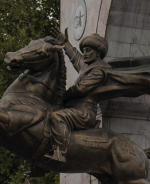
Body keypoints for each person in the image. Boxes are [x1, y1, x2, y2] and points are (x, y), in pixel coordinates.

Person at [45, 33, 112, 163]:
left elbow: (81, 89)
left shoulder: (100, 70)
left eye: (88, 51)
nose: (85, 54)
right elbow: (75, 58)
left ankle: (60, 152)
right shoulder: (87, 66)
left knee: (56, 117)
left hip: (85, 113)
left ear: (97, 52)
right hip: (75, 109)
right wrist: (65, 43)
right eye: (84, 51)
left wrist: (62, 95)